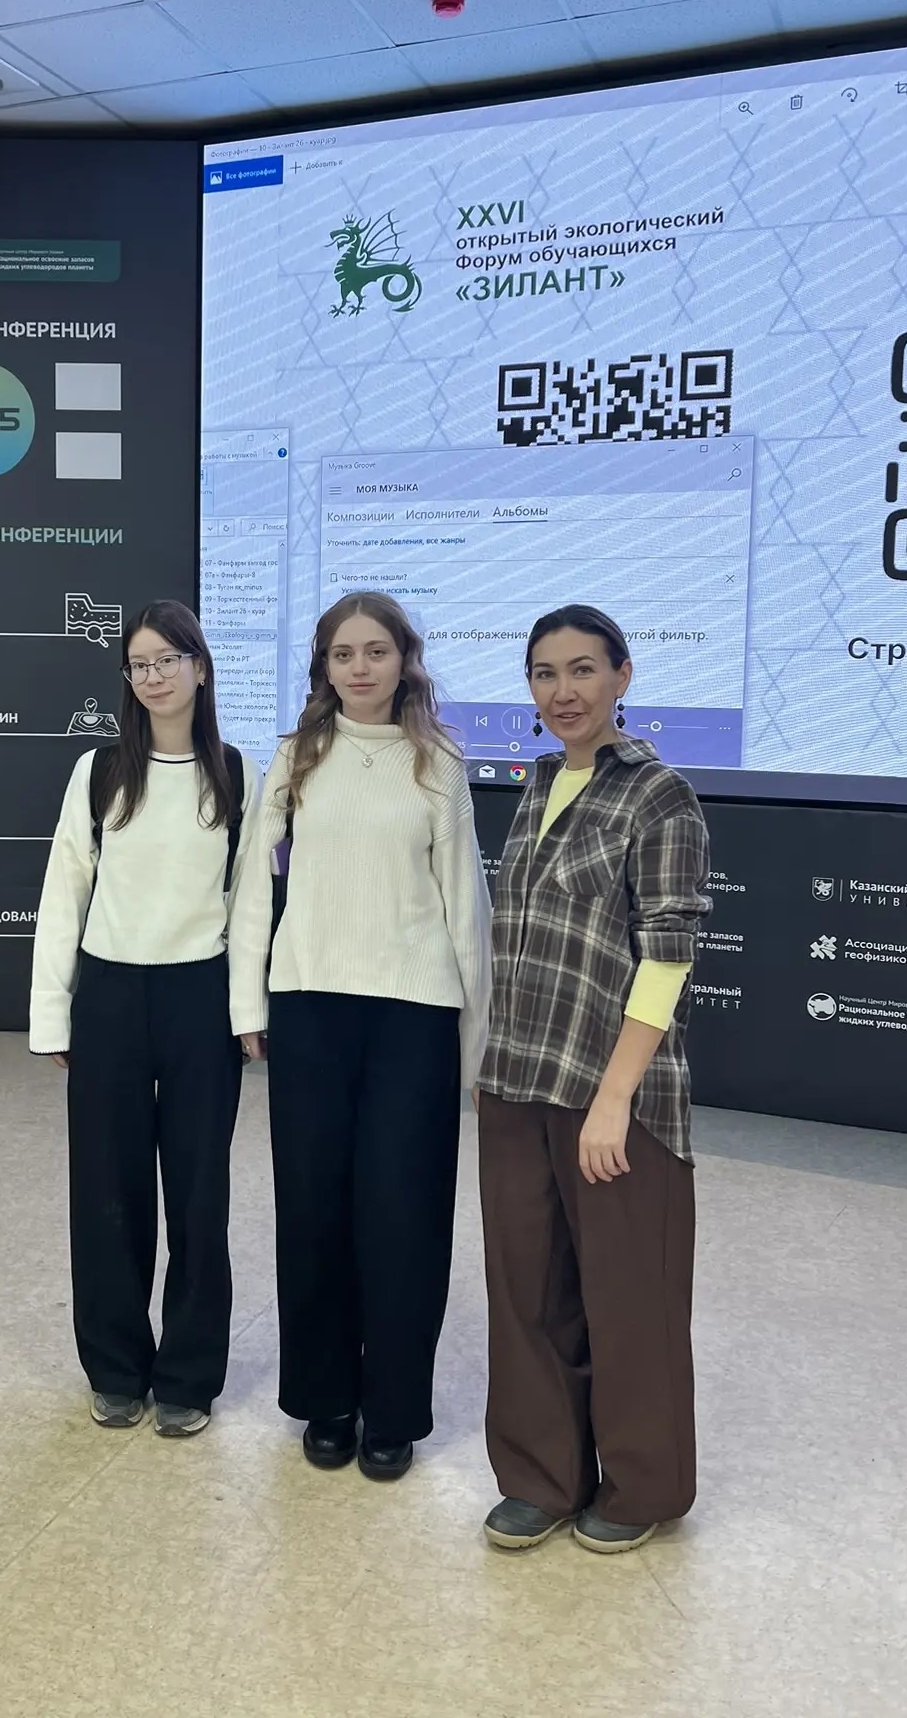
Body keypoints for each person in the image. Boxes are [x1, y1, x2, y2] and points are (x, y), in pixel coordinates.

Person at [231, 591, 491, 1482]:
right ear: (324, 667)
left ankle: (394, 1410)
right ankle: (327, 1400)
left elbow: (466, 905)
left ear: (403, 660)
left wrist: (475, 1042)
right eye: (343, 654)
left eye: (376, 650)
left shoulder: (438, 762)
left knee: (404, 1215)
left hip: (413, 1015)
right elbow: (253, 889)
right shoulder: (295, 756)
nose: (360, 667)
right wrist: (249, 1004)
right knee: (313, 1211)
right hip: (311, 1006)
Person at [477, 604, 710, 1555]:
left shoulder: (660, 795)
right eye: (545, 673)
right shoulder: (538, 783)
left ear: (622, 676)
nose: (563, 691)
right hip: (516, 1079)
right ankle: (542, 1477)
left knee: (628, 1297)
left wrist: (614, 1100)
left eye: (582, 670)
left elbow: (667, 954)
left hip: (612, 1096)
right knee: (527, 1296)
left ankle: (643, 1485)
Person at [30, 600, 260, 1439]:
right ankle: (116, 1370)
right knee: (106, 1192)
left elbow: (251, 903)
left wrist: (247, 1013)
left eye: (168, 659)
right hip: (111, 997)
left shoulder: (236, 774)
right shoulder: (98, 773)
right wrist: (53, 1016)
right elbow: (65, 892)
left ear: (200, 667)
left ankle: (189, 1377)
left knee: (199, 1196)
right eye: (139, 664)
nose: (154, 676)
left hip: (200, 999)